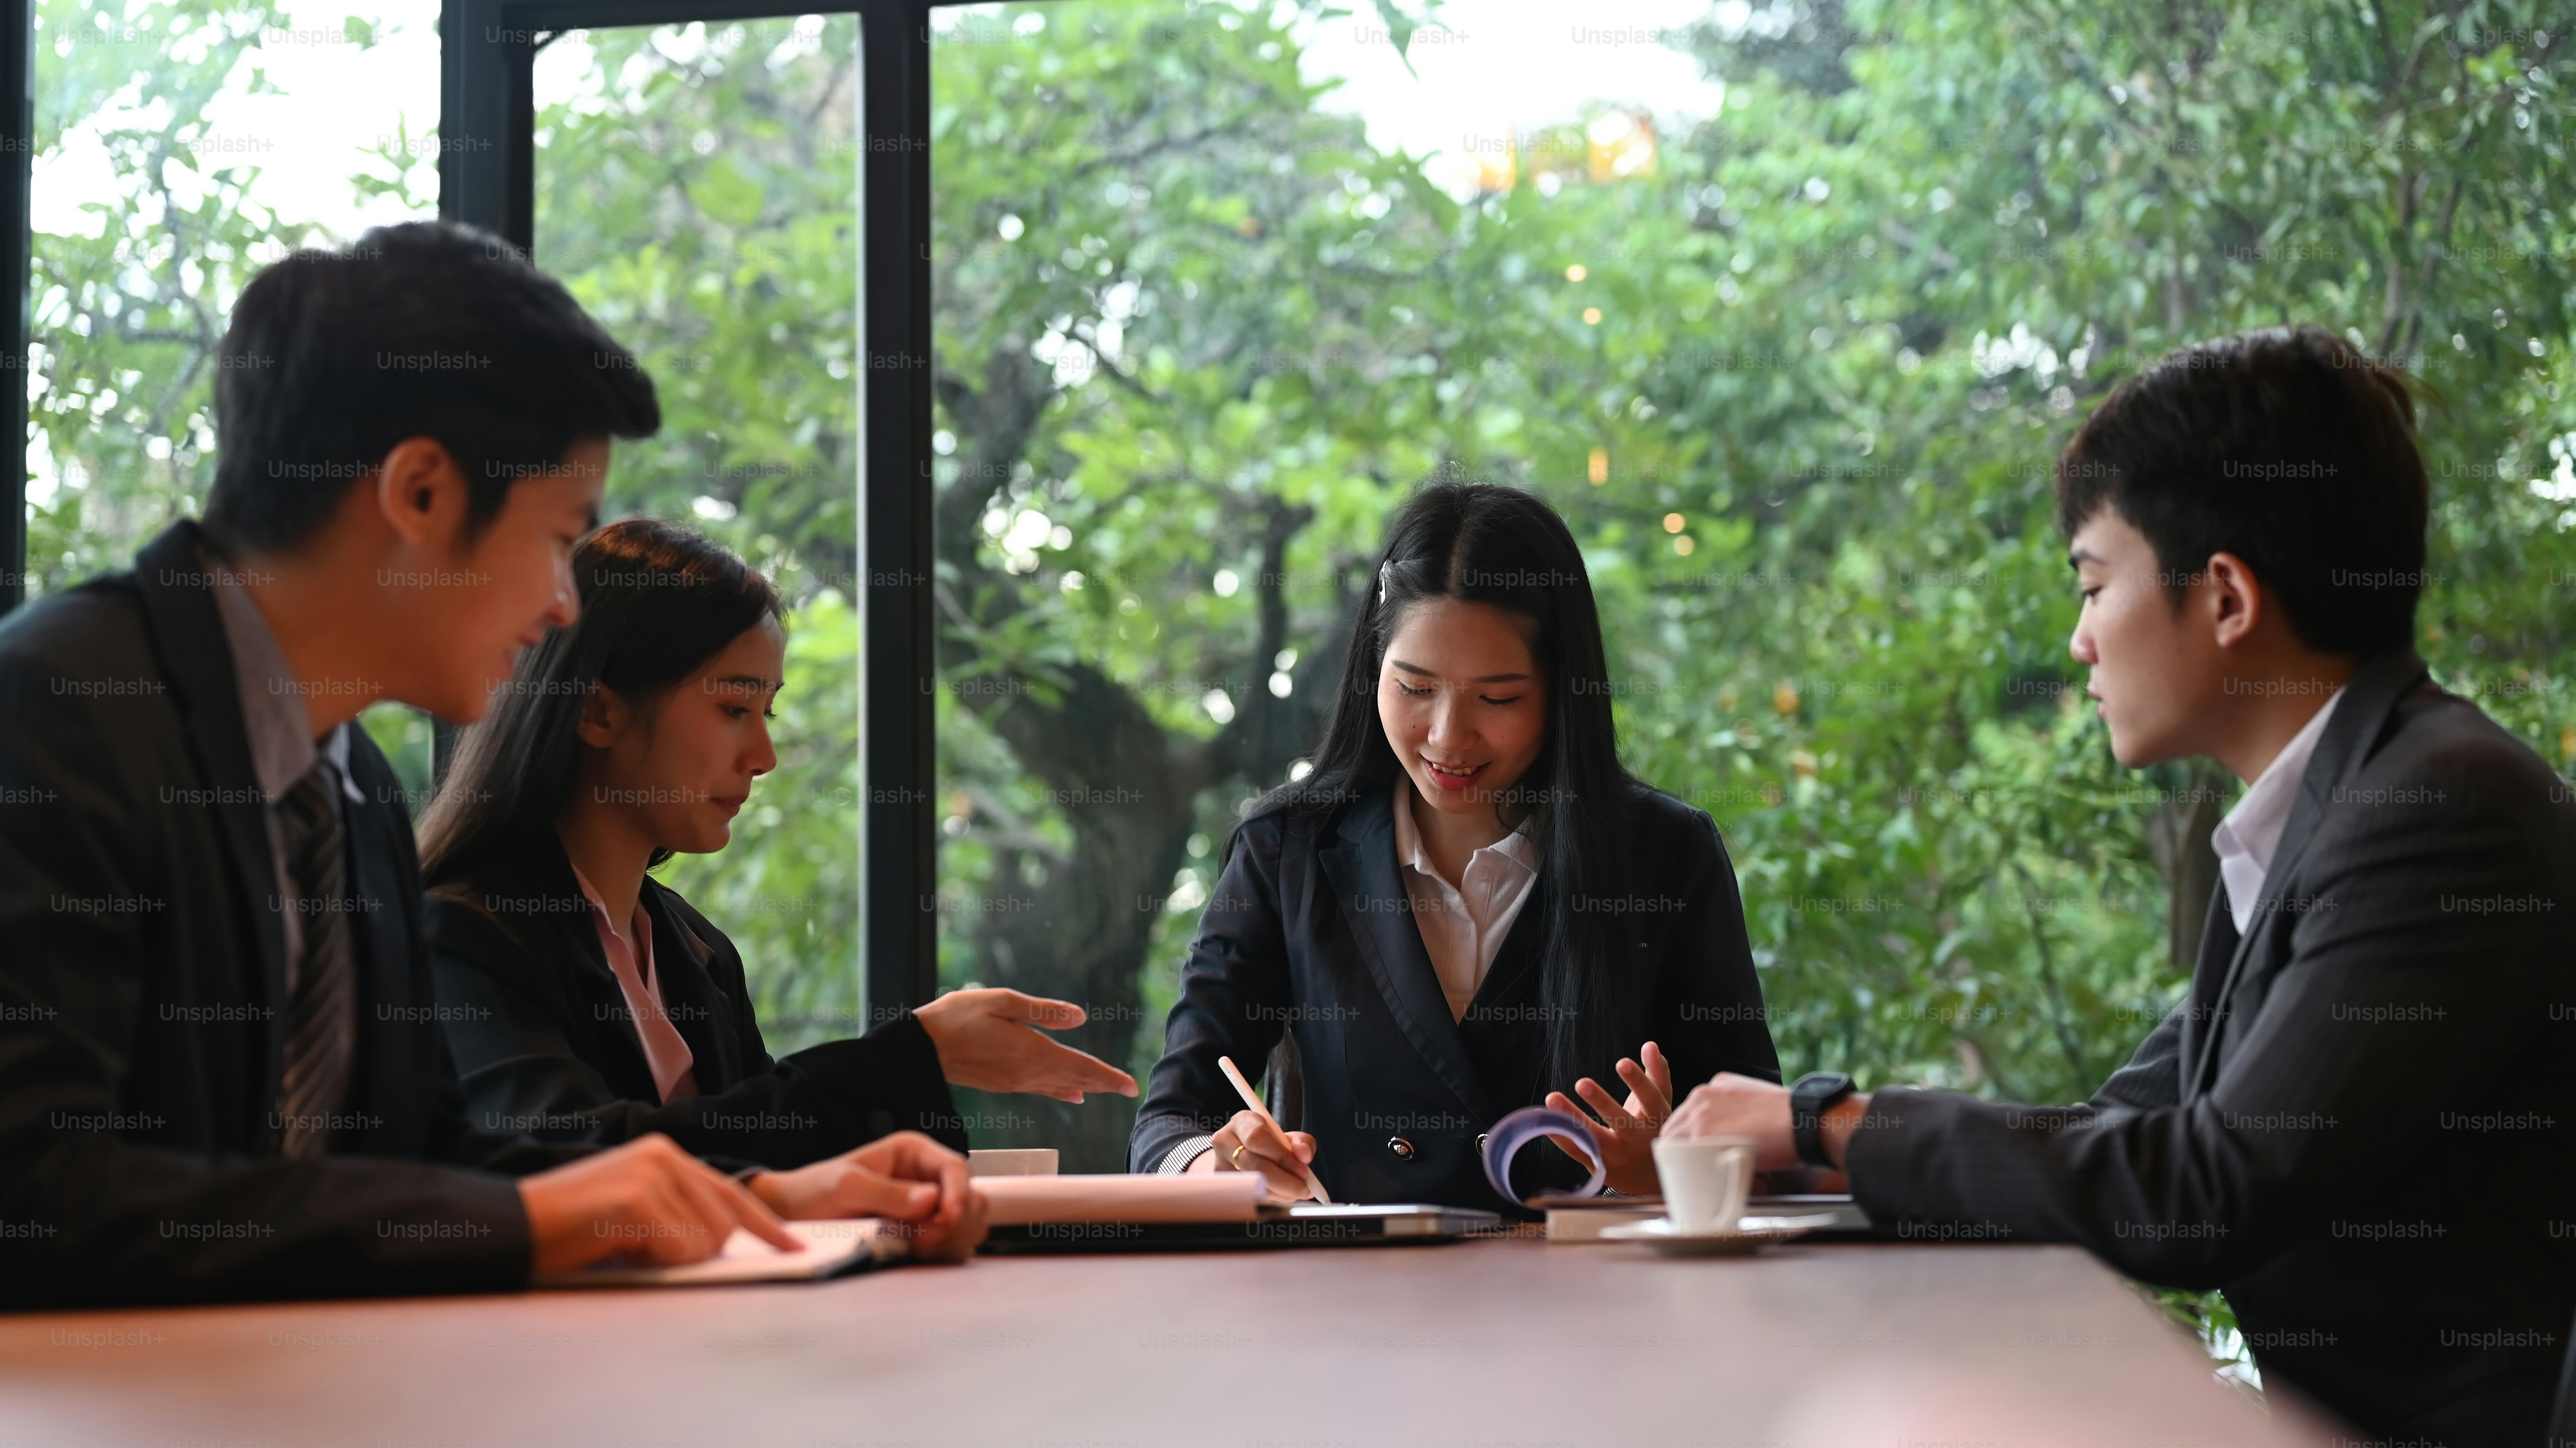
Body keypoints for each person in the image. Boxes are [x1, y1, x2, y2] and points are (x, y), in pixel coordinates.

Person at [0, 222, 978, 1308]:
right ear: (419, 494)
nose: (566, 603)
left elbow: (427, 1163)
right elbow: (37, 1194)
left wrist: (767, 1197)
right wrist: (536, 1217)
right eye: (563, 536)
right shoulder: (56, 711)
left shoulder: (352, 786)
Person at [1662, 325, 2576, 1448]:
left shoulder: (2436, 810)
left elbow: (2204, 1187)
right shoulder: (2329, 809)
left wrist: (1827, 1119)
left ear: (2228, 598)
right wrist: (1780, 1158)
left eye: (2094, 587)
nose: (2080, 643)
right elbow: (2115, 1136)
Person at [418, 518, 1134, 1191]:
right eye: (734, 709)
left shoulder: (696, 951)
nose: (764, 756)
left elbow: (763, 1160)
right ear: (598, 711)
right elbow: (575, 1165)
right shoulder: (464, 936)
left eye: (769, 713)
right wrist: (907, 1059)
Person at [1128, 481, 1780, 1211]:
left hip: (1593, 1305)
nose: (1446, 737)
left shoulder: (1664, 855)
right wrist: (1215, 1171)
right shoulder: (1287, 850)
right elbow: (1171, 1122)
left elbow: (1766, 1136)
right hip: (1358, 1302)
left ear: (1564, 691)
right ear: (1373, 669)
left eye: (1497, 699)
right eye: (1414, 687)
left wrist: (1663, 1170)